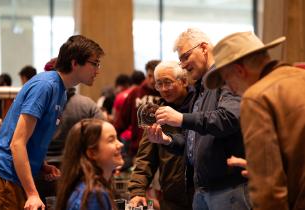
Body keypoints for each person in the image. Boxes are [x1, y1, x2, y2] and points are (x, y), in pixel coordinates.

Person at [0, 35, 104, 210]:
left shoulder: (61, 92)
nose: (97, 70)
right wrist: (33, 194)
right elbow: (17, 143)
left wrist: (40, 165)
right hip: (3, 178)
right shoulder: (45, 85)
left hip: (16, 178)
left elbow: (33, 137)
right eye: (94, 63)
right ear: (74, 63)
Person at [146, 28, 250, 210]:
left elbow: (229, 118)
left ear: (203, 48)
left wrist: (181, 118)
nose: (183, 65)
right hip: (202, 189)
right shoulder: (200, 87)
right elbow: (194, 143)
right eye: (180, 60)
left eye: (185, 56)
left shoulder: (224, 77)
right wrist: (167, 140)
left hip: (227, 189)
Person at [205, 31, 305, 210]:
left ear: (239, 71)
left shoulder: (256, 98)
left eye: (227, 81)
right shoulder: (299, 77)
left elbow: (269, 191)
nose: (231, 90)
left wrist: (263, 174)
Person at [128, 61, 194, 210]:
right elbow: (145, 158)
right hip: (172, 200)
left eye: (168, 83)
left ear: (183, 81)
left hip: (202, 195)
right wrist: (137, 191)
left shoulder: (199, 107)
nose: (163, 89)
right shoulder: (156, 115)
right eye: (159, 84)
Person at [56, 119, 124, 210]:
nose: (120, 144)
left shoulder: (86, 189)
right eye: (111, 140)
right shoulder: (94, 195)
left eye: (117, 138)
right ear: (92, 153)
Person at [118, 60, 161, 158]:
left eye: (155, 76)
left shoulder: (165, 93)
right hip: (139, 148)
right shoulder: (136, 93)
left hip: (162, 149)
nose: (152, 80)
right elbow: (122, 120)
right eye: (149, 76)